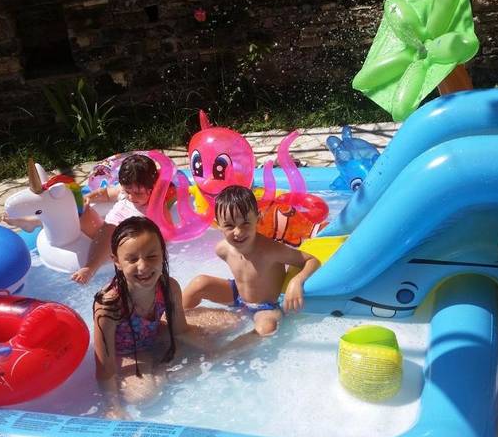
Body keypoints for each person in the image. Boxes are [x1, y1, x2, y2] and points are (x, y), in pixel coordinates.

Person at [93, 216, 218, 420]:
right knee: (144, 397)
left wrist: (214, 350)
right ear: (116, 261)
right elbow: (104, 366)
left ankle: (162, 366)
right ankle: (163, 369)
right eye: (132, 259)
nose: (143, 267)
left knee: (231, 325)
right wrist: (112, 406)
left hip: (156, 334)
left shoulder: (169, 287)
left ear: (163, 253)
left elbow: (181, 330)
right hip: (128, 353)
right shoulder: (108, 304)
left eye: (152, 256)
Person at [182, 185, 321, 336]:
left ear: (258, 218)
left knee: (265, 328)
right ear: (218, 224)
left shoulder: (271, 250)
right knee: (199, 283)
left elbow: (312, 260)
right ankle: (171, 321)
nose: (238, 232)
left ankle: (227, 353)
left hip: (267, 307)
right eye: (229, 225)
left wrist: (296, 281)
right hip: (238, 296)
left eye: (245, 223)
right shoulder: (223, 250)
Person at [72, 154, 159, 284]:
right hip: (104, 229)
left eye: (138, 193)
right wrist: (89, 197)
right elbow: (106, 193)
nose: (130, 197)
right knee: (83, 212)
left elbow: (163, 229)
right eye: (127, 191)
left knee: (110, 230)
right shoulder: (124, 191)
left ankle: (90, 268)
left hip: (126, 240)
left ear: (153, 188)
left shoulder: (156, 204)